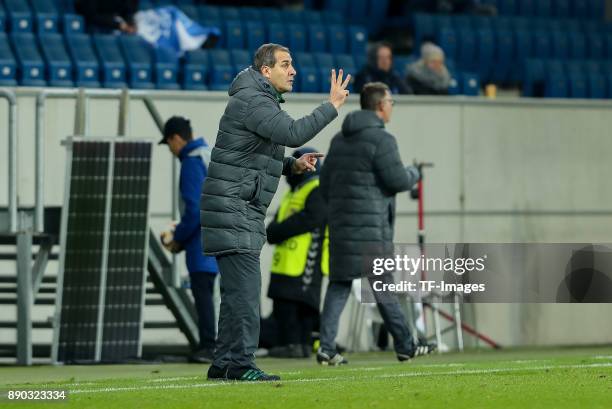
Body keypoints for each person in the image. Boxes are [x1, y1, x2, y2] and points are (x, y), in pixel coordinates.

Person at [200, 43, 350, 381]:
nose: (293, 70)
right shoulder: (255, 101)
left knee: (237, 295)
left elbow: (251, 155)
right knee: (247, 295)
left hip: (236, 210)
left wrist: (292, 165)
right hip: (234, 210)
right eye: (285, 64)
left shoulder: (254, 99)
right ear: (266, 71)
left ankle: (224, 363)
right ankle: (239, 364)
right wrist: (332, 106)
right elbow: (294, 132)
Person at [318, 82, 435, 365]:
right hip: (371, 230)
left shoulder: (338, 140)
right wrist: (414, 174)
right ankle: (406, 344)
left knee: (339, 284)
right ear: (381, 105)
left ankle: (326, 348)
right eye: (391, 102)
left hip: (342, 227)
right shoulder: (383, 140)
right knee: (382, 285)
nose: (392, 107)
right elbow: (396, 181)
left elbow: (325, 183)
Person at [158, 116, 219, 364]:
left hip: (200, 242)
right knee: (214, 293)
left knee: (203, 294)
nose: (171, 149)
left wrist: (178, 238)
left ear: (176, 138)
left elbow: (194, 210)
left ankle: (208, 346)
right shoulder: (208, 155)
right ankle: (216, 344)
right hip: (218, 236)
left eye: (169, 143)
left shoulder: (192, 163)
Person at [265, 146, 328, 359]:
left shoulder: (317, 187)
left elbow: (310, 218)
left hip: (306, 260)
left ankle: (298, 344)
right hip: (287, 260)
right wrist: (273, 231)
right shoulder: (296, 191)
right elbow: (279, 222)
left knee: (301, 304)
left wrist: (276, 231)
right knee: (285, 303)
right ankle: (292, 344)